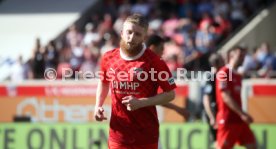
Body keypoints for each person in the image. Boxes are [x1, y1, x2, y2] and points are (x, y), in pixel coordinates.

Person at [94, 14, 177, 149]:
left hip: (146, 135)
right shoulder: (108, 57)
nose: (132, 37)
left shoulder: (154, 61)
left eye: (137, 34)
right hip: (118, 134)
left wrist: (141, 103)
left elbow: (170, 94)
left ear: (144, 38)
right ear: (122, 33)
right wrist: (98, 105)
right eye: (129, 32)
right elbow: (103, 82)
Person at [216, 46, 257, 149]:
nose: (242, 58)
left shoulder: (238, 76)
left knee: (252, 145)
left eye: (244, 56)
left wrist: (241, 115)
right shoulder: (224, 73)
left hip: (239, 119)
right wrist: (242, 114)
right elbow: (225, 96)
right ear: (231, 56)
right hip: (228, 119)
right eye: (240, 55)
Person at [146, 34, 189, 119]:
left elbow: (153, 97)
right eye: (161, 48)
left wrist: (177, 109)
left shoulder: (138, 62)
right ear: (152, 47)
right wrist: (177, 109)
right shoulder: (158, 65)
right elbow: (168, 93)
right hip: (145, 117)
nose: (163, 52)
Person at [202, 53, 224, 146]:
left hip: (221, 112)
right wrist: (212, 117)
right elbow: (206, 99)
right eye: (222, 61)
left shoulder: (223, 76)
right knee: (218, 142)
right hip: (214, 112)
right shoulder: (211, 78)